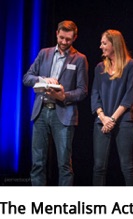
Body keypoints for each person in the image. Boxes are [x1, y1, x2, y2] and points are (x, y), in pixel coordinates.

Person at [23, 20, 89, 186]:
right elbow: (27, 78)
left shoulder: (79, 59)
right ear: (57, 34)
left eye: (68, 39)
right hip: (41, 111)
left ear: (74, 38)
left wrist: (63, 96)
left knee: (64, 165)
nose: (64, 42)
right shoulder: (44, 53)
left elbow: (82, 90)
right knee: (37, 163)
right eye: (61, 38)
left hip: (64, 114)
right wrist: (43, 79)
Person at [91, 29, 133, 186]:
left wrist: (112, 119)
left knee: (127, 166)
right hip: (102, 121)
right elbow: (95, 94)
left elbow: (129, 96)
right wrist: (103, 117)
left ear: (115, 44)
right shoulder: (99, 68)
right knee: (98, 167)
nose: (100, 46)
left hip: (124, 121)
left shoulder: (131, 65)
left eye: (104, 43)